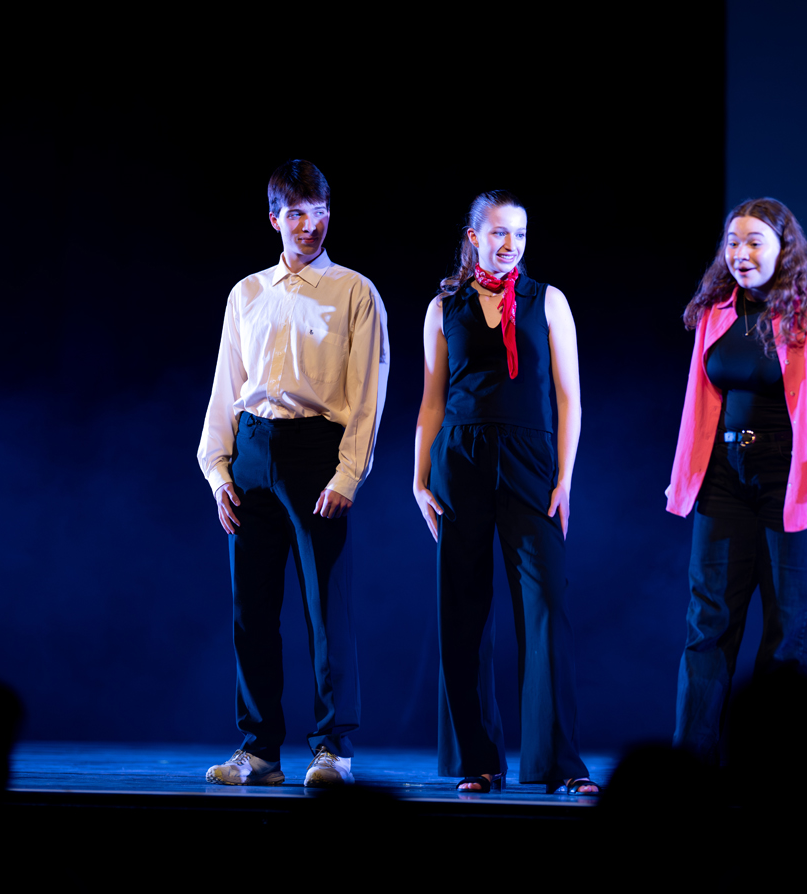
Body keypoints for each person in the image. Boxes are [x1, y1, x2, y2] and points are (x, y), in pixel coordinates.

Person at [197, 159, 389, 786]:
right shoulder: (247, 293)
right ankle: (259, 750)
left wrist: (347, 474)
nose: (310, 225)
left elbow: (368, 394)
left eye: (320, 212)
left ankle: (332, 748)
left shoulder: (354, 292)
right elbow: (227, 386)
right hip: (252, 450)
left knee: (325, 608)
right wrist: (218, 471)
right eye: (298, 213)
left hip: (316, 451)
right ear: (275, 218)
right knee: (251, 609)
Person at [665, 197, 807, 764]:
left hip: (793, 478)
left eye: (755, 242)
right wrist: (689, 473)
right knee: (707, 626)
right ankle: (690, 766)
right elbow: (701, 404)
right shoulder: (717, 313)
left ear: (785, 249)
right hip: (724, 477)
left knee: (789, 633)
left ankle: (773, 768)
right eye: (733, 243)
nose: (741, 253)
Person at [412, 190, 599, 794]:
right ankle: (478, 759)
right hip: (461, 458)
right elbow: (431, 401)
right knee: (462, 610)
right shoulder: (445, 307)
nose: (510, 244)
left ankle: (559, 763)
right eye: (498, 232)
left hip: (530, 460)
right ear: (474, 237)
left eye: (518, 233)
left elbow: (569, 397)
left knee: (545, 608)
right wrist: (419, 479)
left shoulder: (549, 301)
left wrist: (565, 477)